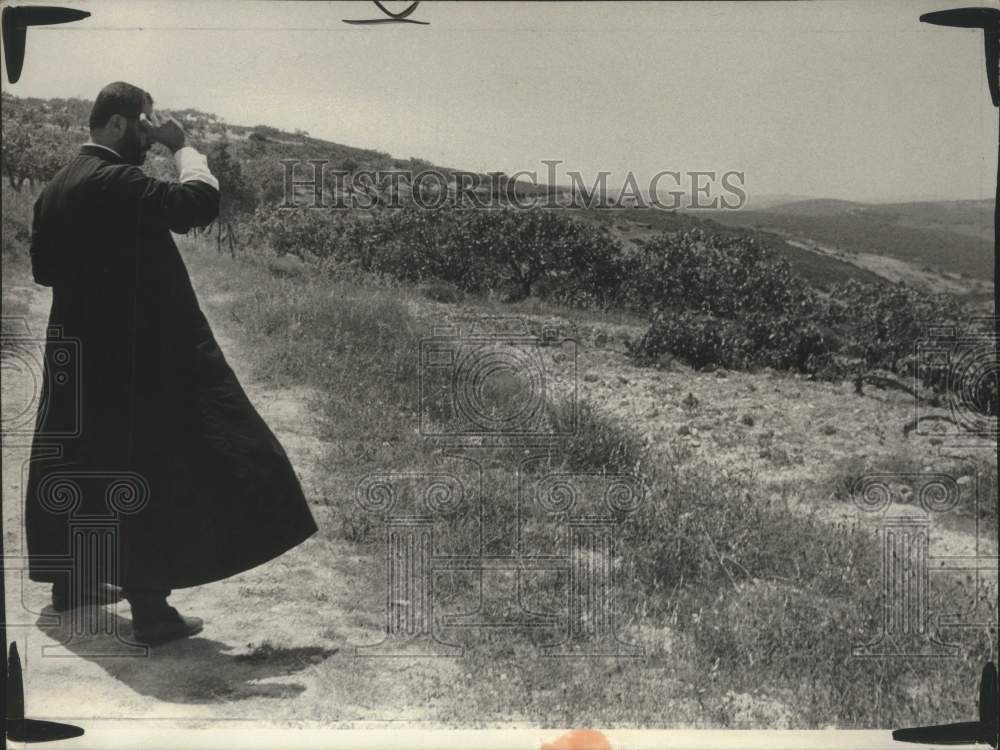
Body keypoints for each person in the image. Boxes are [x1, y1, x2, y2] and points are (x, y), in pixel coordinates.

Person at [25, 81, 318, 646]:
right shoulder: (118, 180)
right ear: (114, 124)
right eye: (142, 123)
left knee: (77, 458)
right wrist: (182, 148)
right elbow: (197, 206)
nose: (147, 134)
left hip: (76, 350)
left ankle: (71, 583)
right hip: (134, 352)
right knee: (145, 466)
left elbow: (43, 271)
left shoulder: (56, 188)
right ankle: (153, 614)